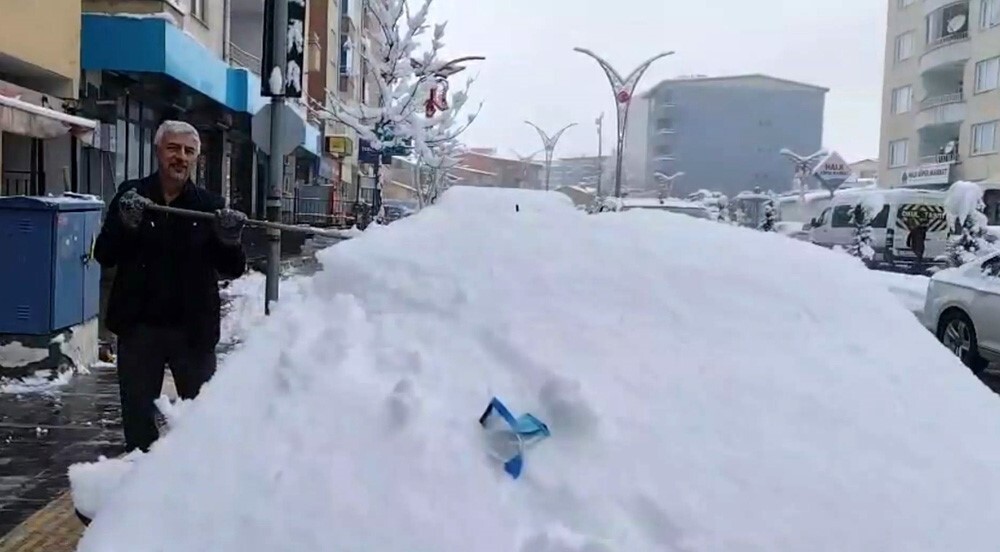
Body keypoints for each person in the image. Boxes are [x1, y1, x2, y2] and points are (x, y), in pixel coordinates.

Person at [94, 120, 248, 453]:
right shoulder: (131, 197)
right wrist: (124, 224)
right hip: (139, 328)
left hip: (192, 331)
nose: (180, 157)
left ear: (196, 159)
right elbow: (104, 254)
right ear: (157, 151)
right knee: (137, 420)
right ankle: (141, 487)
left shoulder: (209, 205)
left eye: (188, 151)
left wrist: (230, 240)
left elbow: (233, 268)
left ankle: (194, 487)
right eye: (173, 148)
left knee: (201, 416)